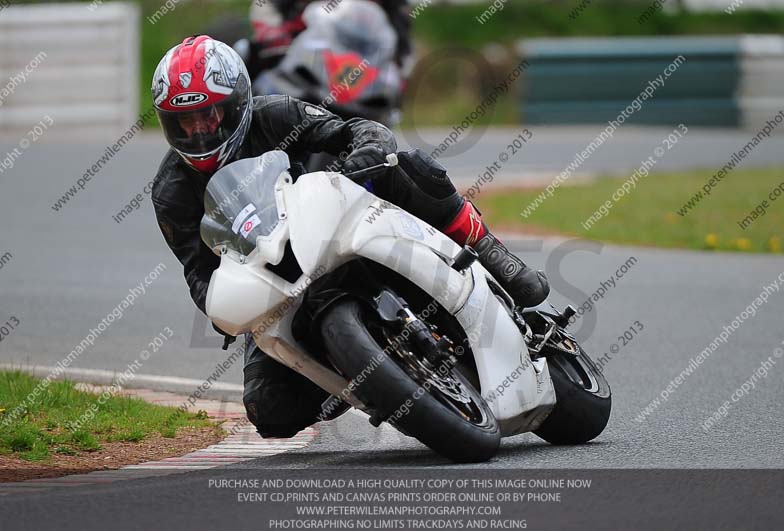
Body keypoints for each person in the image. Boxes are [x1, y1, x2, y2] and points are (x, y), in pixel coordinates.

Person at [150, 36, 549, 438]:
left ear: (236, 104)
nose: (198, 131)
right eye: (185, 121)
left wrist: (365, 150)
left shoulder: (275, 115)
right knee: (270, 412)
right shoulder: (172, 191)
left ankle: (487, 247)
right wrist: (223, 309)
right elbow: (197, 270)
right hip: (278, 285)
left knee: (408, 165)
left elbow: (355, 130)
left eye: (209, 115)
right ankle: (349, 373)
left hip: (339, 225)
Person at [246, 0, 411, 74]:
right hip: (304, 61)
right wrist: (275, 39)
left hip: (359, 67)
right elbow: (266, 11)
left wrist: (398, 59)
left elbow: (400, 27)